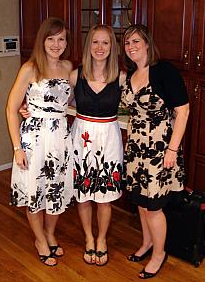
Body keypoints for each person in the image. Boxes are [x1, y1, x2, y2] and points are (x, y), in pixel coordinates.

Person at [121, 24, 189, 279]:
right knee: (140, 200)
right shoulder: (130, 73)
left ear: (148, 43)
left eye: (136, 41)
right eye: (127, 43)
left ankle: (159, 253)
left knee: (154, 206)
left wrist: (172, 149)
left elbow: (183, 112)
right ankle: (147, 243)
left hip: (159, 150)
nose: (132, 47)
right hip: (136, 148)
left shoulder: (164, 71)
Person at [6, 17, 74, 266]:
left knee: (55, 190)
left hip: (60, 139)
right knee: (36, 191)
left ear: (66, 42)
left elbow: (70, 103)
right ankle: (39, 239)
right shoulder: (30, 68)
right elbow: (11, 108)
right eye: (51, 39)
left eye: (61, 39)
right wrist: (17, 147)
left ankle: (50, 233)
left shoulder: (68, 67)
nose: (56, 44)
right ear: (42, 41)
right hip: (34, 140)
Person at [69, 24, 126, 266]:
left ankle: (101, 239)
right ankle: (89, 238)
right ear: (88, 45)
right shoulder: (75, 75)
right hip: (81, 137)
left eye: (105, 42)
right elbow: (60, 102)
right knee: (83, 196)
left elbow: (142, 105)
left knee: (104, 197)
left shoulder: (121, 77)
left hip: (109, 138)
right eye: (95, 42)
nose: (100, 47)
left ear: (112, 46)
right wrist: (30, 109)